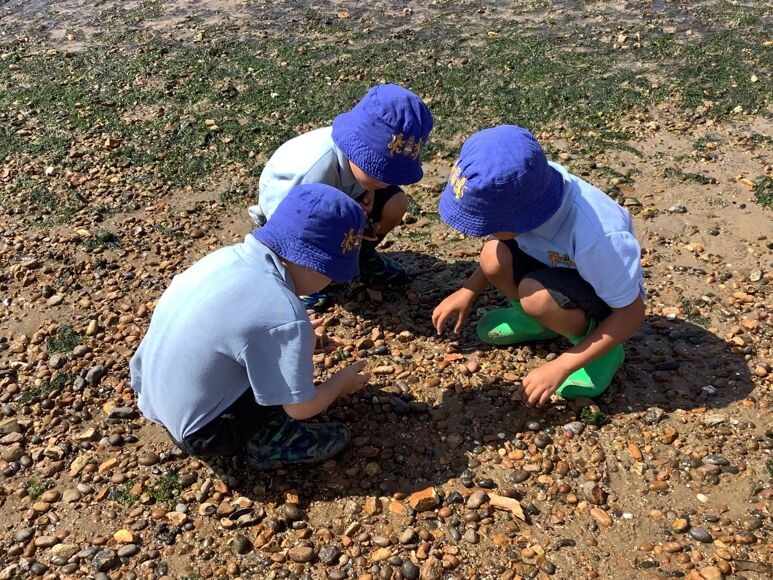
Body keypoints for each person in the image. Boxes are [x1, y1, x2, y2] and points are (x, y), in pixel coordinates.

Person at [130, 184, 371, 469]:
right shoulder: (284, 311)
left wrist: (298, 341)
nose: (330, 283)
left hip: (152, 397)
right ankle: (272, 443)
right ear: (314, 265)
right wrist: (339, 384)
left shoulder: (225, 257)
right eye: (332, 274)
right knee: (285, 393)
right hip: (206, 432)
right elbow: (301, 408)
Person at [432, 125, 646, 407]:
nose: (482, 230)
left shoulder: (599, 237)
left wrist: (563, 365)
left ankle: (601, 351)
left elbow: (632, 312)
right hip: (554, 262)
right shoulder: (530, 184)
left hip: (602, 294)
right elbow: (503, 244)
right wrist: (468, 290)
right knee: (492, 255)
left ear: (521, 217)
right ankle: (535, 323)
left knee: (536, 297)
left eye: (487, 224)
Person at [248, 83, 433, 308]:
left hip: (344, 196)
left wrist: (369, 189)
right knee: (304, 272)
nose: (386, 181)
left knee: (395, 204)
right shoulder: (309, 172)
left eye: (393, 173)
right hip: (295, 218)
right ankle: (295, 283)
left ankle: (360, 257)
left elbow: (373, 180)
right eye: (379, 170)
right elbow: (283, 227)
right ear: (354, 147)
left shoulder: (364, 170)